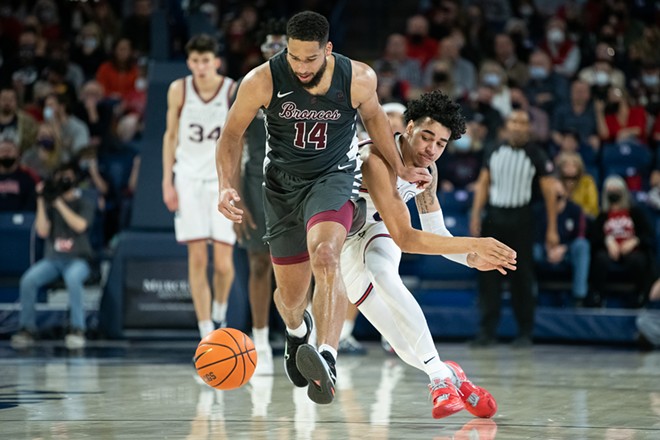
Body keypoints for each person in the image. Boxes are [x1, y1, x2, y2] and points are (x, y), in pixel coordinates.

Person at [216, 11, 430, 405]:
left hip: (333, 179)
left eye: (309, 59)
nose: (300, 66)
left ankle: (327, 357)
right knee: (291, 299)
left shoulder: (358, 78)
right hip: (281, 188)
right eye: (293, 57)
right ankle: (297, 332)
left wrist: (401, 168)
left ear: (328, 50)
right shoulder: (262, 79)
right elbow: (231, 134)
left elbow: (378, 121)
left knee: (327, 253)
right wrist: (226, 185)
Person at [341, 90, 517, 419]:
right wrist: (473, 244)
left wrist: (471, 259)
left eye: (441, 143)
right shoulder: (376, 159)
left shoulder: (430, 172)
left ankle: (438, 380)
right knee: (406, 347)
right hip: (346, 244)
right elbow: (407, 238)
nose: (431, 149)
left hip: (379, 232)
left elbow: (435, 234)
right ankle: (456, 379)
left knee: (382, 272)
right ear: (408, 127)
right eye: (427, 137)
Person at [162, 34, 237, 340]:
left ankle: (219, 313)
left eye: (206, 60)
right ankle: (206, 333)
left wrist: (235, 182)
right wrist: (168, 181)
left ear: (216, 61)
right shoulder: (178, 89)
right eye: (195, 61)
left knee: (222, 263)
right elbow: (170, 137)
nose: (201, 66)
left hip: (221, 181)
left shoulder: (232, 89)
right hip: (189, 178)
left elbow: (238, 141)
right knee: (197, 258)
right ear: (189, 62)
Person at [470, 109, 559, 348]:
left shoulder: (537, 154)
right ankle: (487, 332)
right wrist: (476, 215)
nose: (518, 126)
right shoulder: (494, 149)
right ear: (507, 126)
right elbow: (483, 183)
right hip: (495, 218)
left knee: (522, 277)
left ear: (529, 127)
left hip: (522, 219)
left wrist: (552, 228)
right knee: (488, 276)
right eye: (514, 122)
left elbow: (550, 191)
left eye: (522, 122)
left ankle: (525, 332)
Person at [232, 18, 288, 376]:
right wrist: (234, 191)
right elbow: (233, 139)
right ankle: (261, 339)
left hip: (298, 178)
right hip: (256, 179)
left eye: (281, 45)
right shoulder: (251, 83)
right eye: (270, 46)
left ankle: (303, 338)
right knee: (258, 261)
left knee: (306, 261)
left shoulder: (311, 81)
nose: (276, 51)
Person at [11, 161, 94, 350]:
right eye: (60, 176)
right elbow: (42, 231)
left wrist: (59, 203)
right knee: (28, 280)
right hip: (53, 259)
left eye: (68, 176)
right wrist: (42, 200)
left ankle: (77, 328)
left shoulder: (84, 203)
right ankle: (27, 328)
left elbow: (80, 226)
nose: (64, 180)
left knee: (73, 279)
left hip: (78, 259)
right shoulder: (49, 204)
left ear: (74, 179)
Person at [588, 175, 655, 308]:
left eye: (616, 189)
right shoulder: (602, 216)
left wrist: (634, 241)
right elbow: (594, 236)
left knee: (638, 260)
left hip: (632, 251)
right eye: (610, 189)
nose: (613, 193)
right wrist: (607, 240)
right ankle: (598, 297)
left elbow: (648, 234)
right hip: (609, 252)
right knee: (600, 259)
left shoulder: (635, 212)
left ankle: (641, 296)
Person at [533, 178, 590, 306]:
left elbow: (580, 235)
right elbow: (533, 235)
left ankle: (579, 298)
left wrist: (564, 248)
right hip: (543, 251)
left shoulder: (575, 210)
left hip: (567, 253)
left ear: (564, 191)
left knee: (582, 246)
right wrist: (547, 248)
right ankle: (530, 297)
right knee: (529, 249)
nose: (555, 193)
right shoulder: (538, 210)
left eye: (558, 189)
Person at [0, 138, 38, 212]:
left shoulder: (27, 179)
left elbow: (31, 205)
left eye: (10, 150)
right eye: (2, 151)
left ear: (18, 154)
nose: (6, 153)